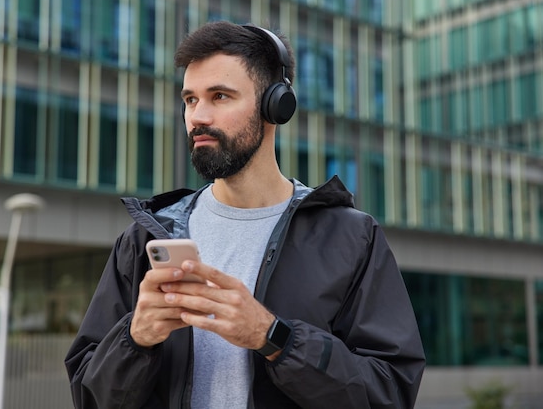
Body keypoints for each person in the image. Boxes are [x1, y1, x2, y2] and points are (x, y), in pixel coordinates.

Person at [65, 20, 425, 409]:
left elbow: (390, 393)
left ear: (276, 105)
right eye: (190, 100)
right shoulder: (146, 239)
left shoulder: (351, 237)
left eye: (219, 96)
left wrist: (274, 337)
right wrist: (134, 340)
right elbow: (89, 397)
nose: (198, 117)